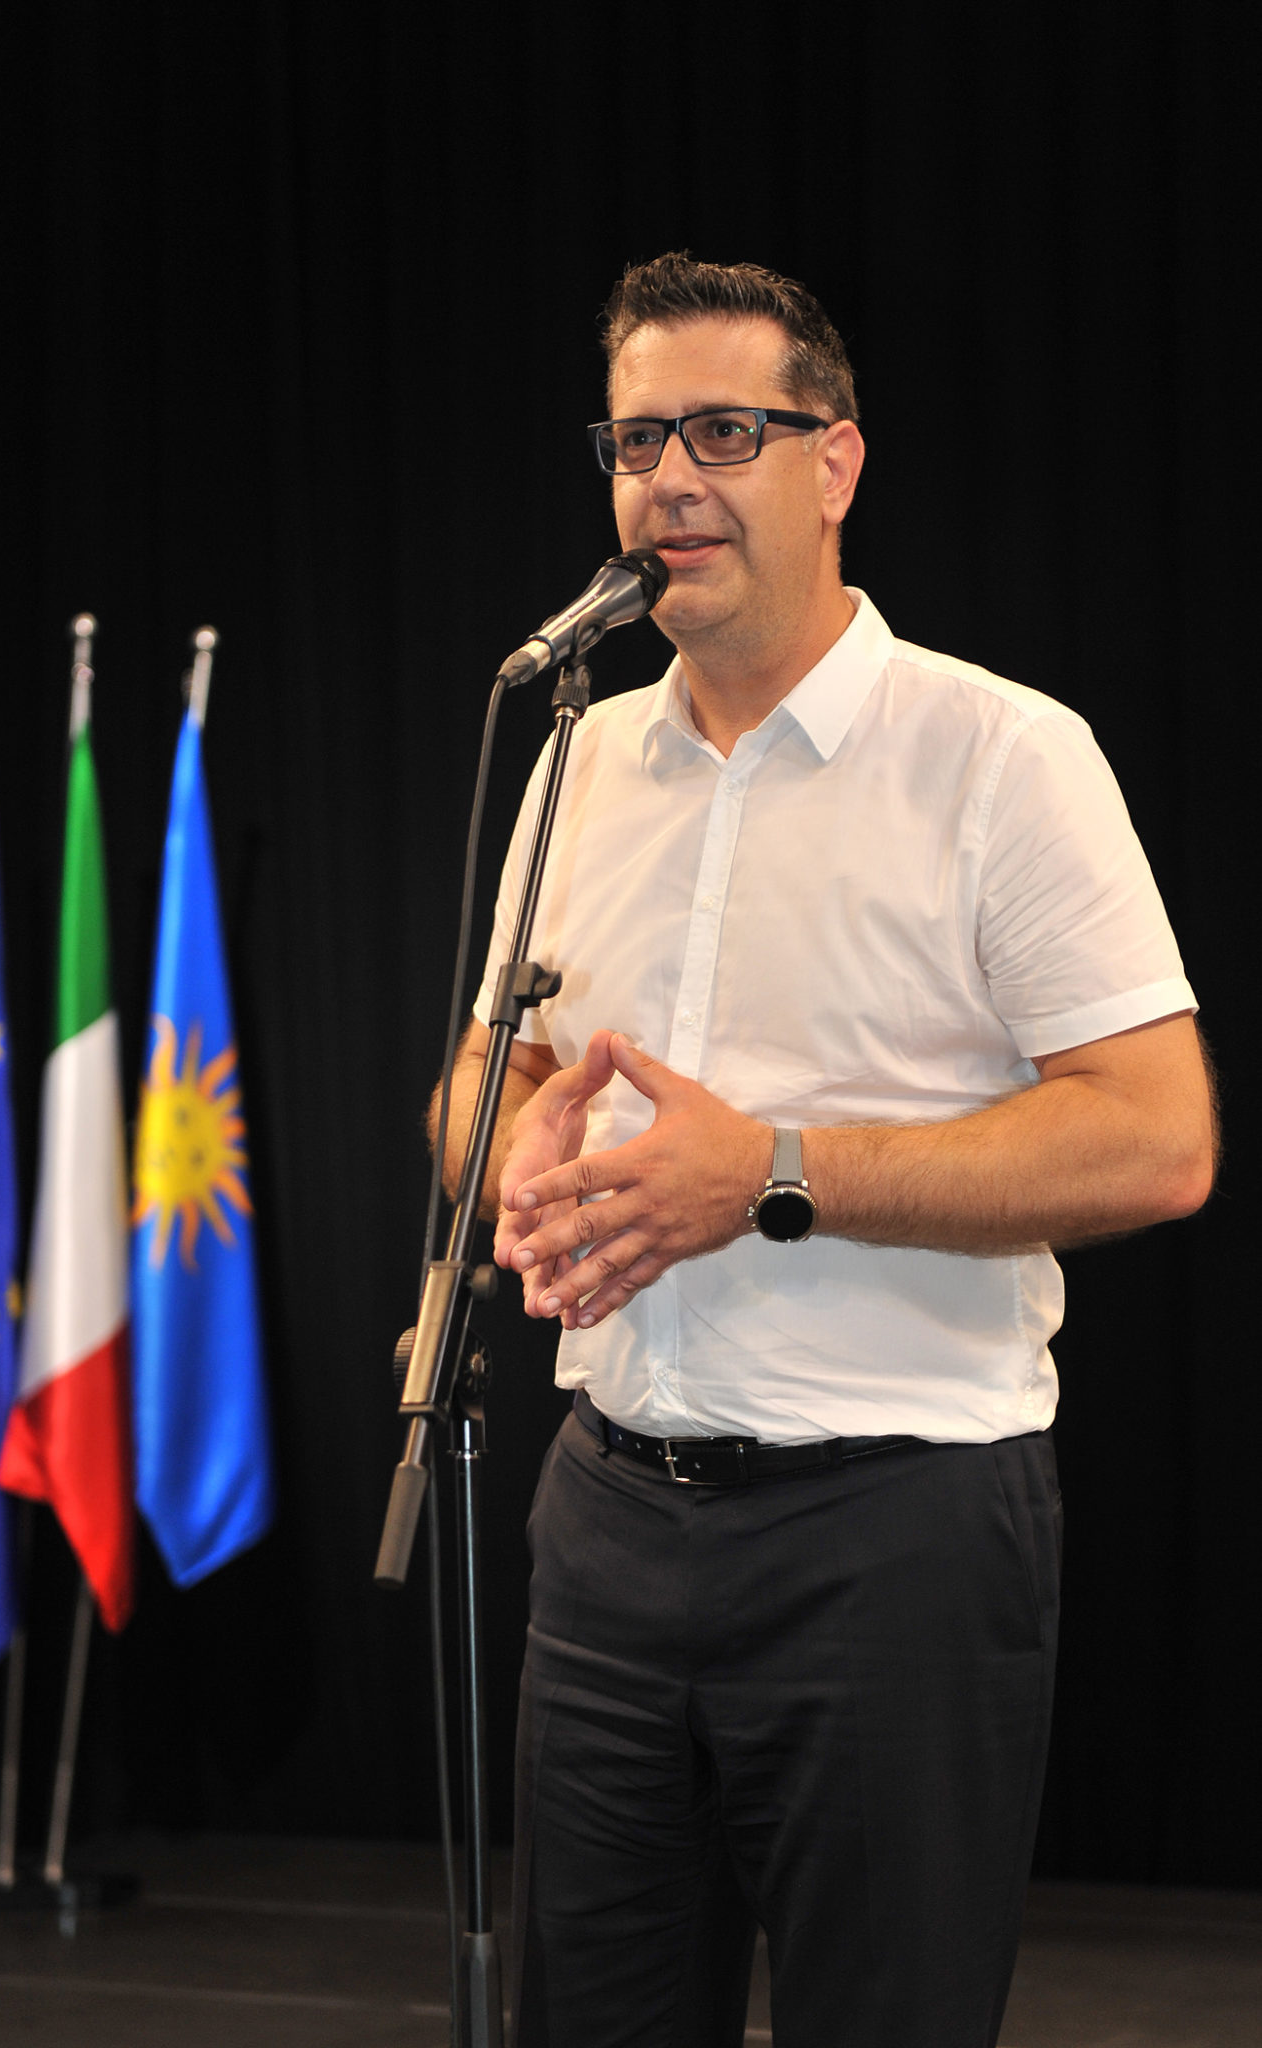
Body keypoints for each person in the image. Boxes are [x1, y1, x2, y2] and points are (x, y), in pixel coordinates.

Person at [435, 253, 1215, 2048]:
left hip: (896, 1533)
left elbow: (1156, 1139)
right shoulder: (575, 758)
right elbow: (492, 1057)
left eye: (723, 432)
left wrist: (769, 1176)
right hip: (606, 1519)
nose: (668, 480)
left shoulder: (1001, 756)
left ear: (835, 462)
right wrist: (506, 1141)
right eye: (635, 440)